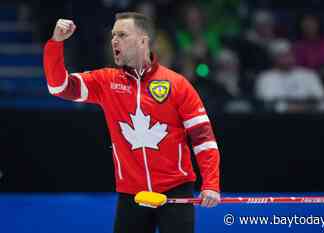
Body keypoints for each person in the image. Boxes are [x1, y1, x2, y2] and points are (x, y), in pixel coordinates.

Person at [43, 12, 221, 233]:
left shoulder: (178, 85)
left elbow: (203, 139)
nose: (114, 40)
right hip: (131, 195)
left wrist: (211, 184)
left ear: (143, 40)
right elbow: (58, 87)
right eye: (113, 35)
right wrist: (56, 43)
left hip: (176, 192)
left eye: (122, 34)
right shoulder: (105, 82)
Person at [255, 39, 324, 113]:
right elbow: (268, 105)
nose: (288, 58)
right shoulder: (265, 78)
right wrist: (302, 108)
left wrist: (302, 108)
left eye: (290, 54)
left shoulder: (309, 75)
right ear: (273, 58)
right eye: (282, 55)